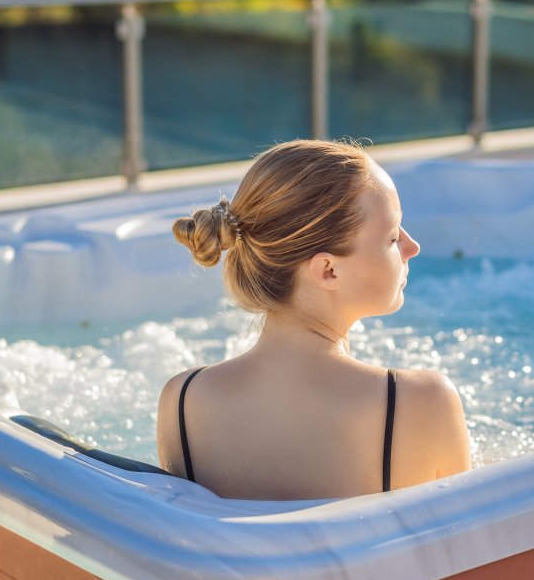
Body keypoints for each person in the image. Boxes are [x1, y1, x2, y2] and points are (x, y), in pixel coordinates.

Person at [157, 140, 472, 500]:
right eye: (391, 236)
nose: (412, 246)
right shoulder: (421, 403)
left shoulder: (181, 402)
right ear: (328, 270)